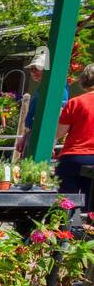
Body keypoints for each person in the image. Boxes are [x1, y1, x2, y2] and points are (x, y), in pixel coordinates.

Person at [54, 63, 94, 210]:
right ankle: (86, 230)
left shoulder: (75, 102)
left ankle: (62, 229)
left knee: (64, 200)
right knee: (90, 205)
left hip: (73, 156)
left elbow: (59, 133)